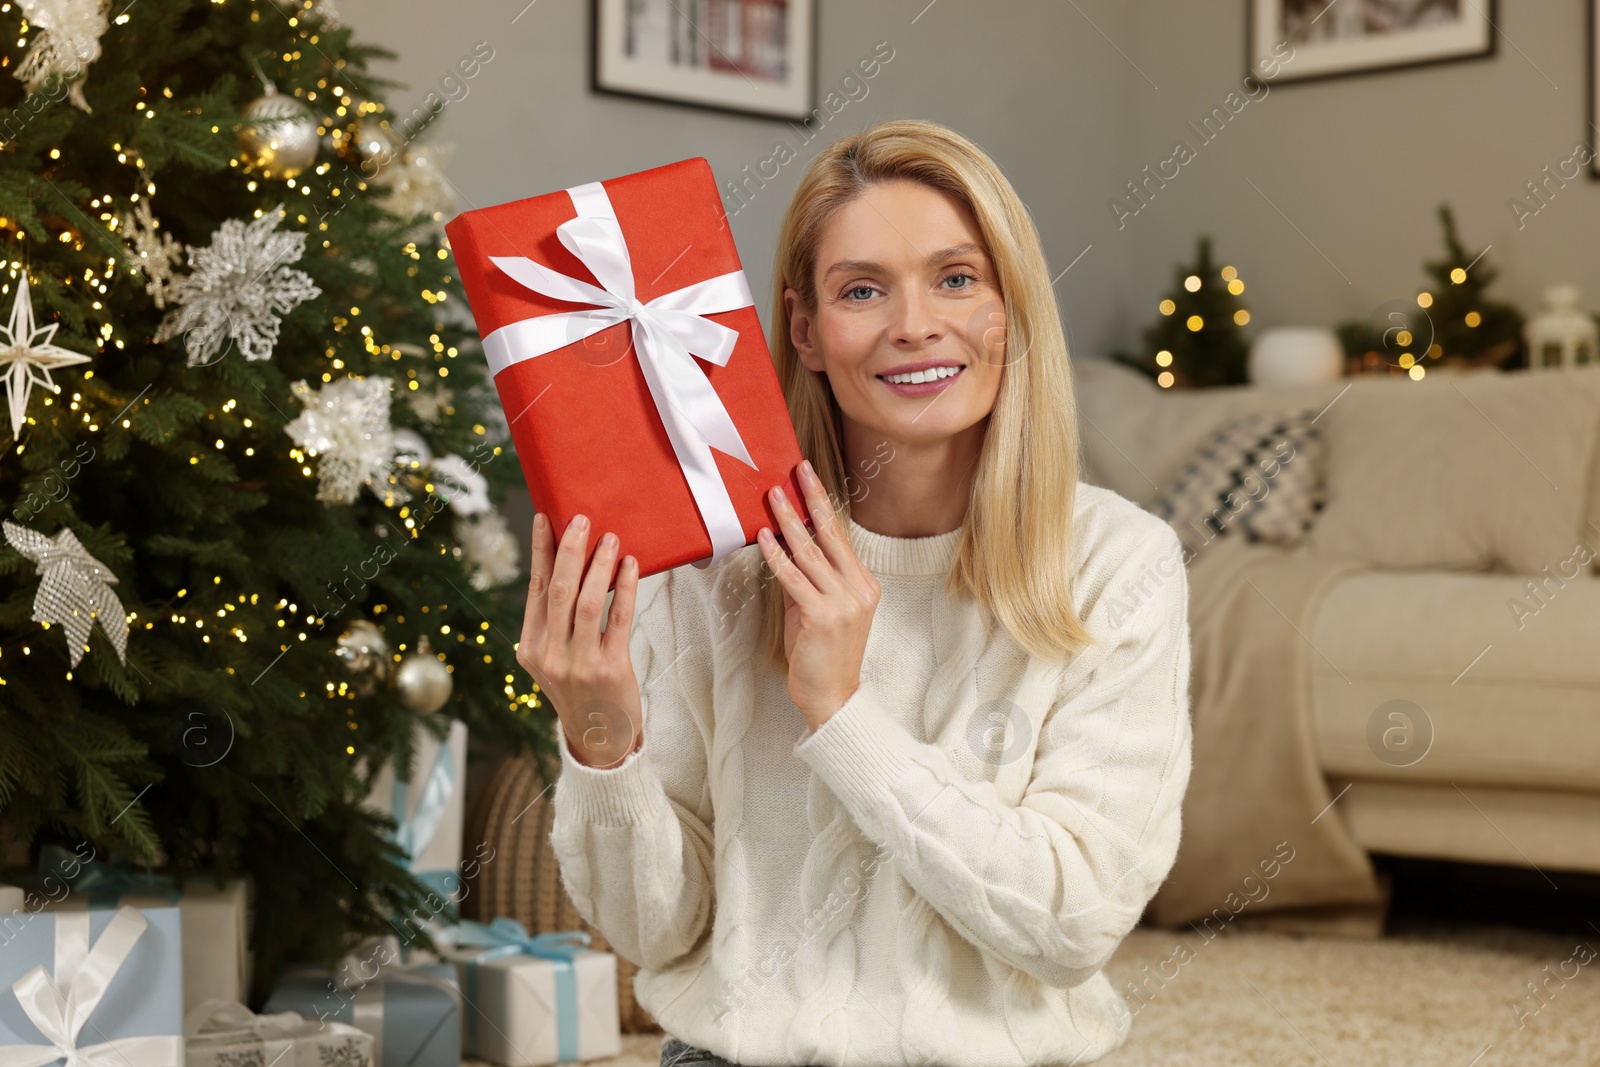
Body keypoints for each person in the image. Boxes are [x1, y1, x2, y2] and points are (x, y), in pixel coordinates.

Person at [516, 119, 1193, 1067]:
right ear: (806, 330)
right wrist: (599, 737)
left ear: (1013, 310)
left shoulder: (1119, 563)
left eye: (957, 278)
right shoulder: (711, 567)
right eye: (863, 290)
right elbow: (659, 934)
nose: (914, 324)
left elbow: (1070, 923)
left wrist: (840, 711)